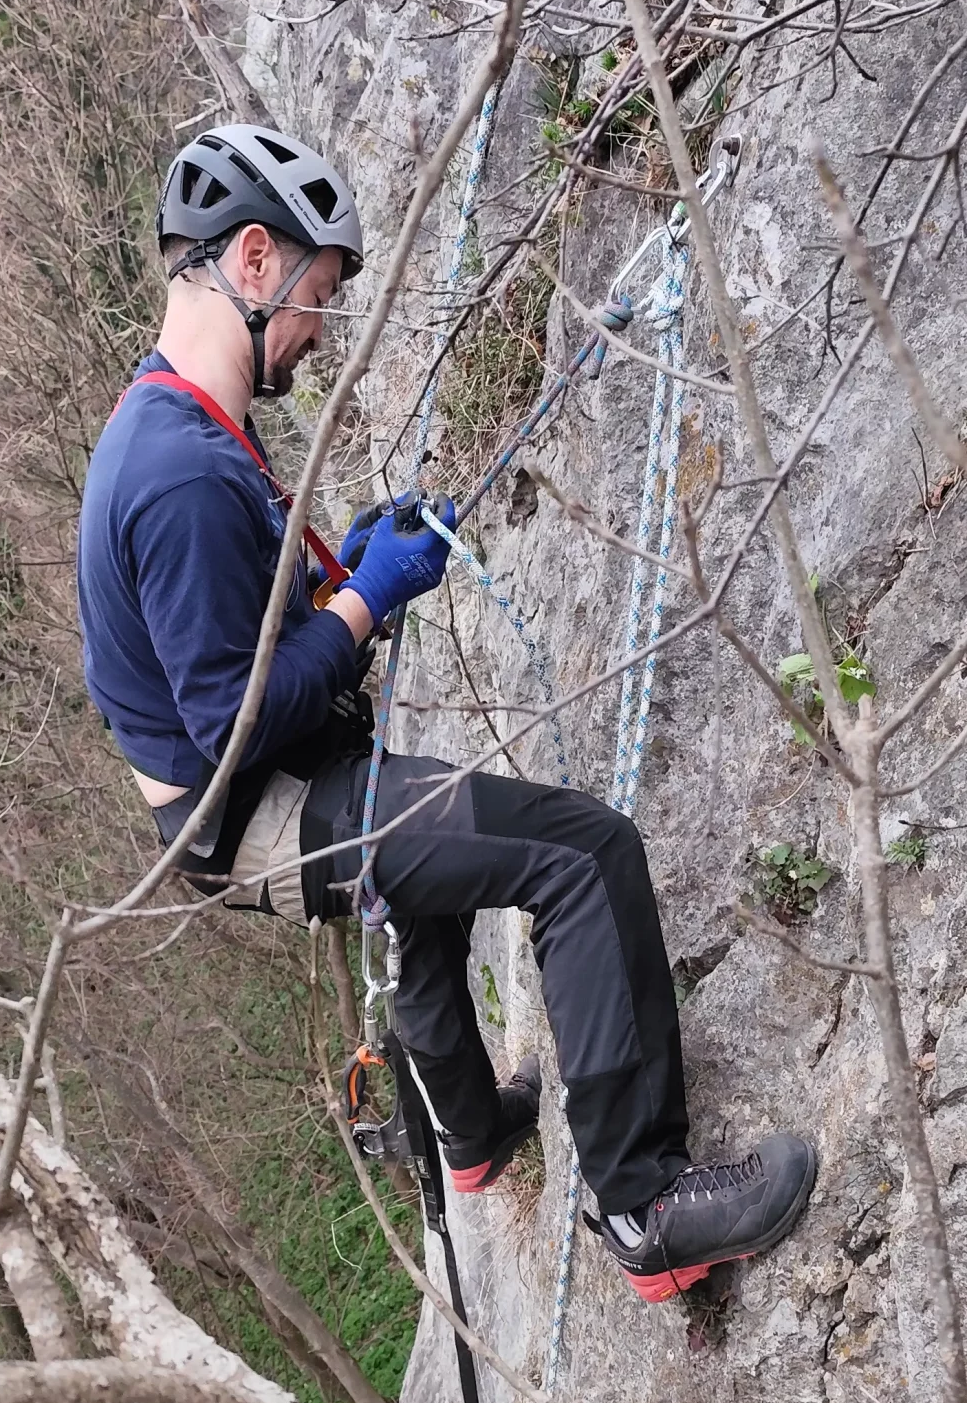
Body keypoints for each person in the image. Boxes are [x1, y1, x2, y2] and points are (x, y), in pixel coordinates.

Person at [77, 121, 816, 1304]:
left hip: (243, 798)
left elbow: (233, 623)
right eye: (318, 295)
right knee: (580, 852)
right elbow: (232, 723)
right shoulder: (176, 474)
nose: (320, 332)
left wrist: (339, 566)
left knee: (425, 884)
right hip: (252, 811)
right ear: (252, 262)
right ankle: (645, 1204)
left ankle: (471, 1140)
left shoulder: (179, 420)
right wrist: (365, 600)